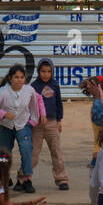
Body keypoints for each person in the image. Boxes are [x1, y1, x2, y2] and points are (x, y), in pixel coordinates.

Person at [0, 64, 41, 193]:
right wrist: (3, 114)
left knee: (26, 149)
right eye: (16, 77)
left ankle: (27, 178)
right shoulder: (3, 91)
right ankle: (4, 177)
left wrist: (35, 120)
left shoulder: (29, 90)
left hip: (23, 124)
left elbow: (37, 102)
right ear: (10, 78)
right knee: (3, 153)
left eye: (22, 77)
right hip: (6, 125)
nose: (19, 80)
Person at [31, 59, 68, 190]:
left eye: (48, 71)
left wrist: (59, 120)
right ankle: (24, 178)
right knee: (33, 153)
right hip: (37, 125)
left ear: (52, 72)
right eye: (43, 71)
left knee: (56, 152)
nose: (45, 74)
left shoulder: (55, 85)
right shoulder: (33, 86)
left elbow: (59, 104)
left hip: (52, 123)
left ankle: (61, 179)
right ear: (38, 71)